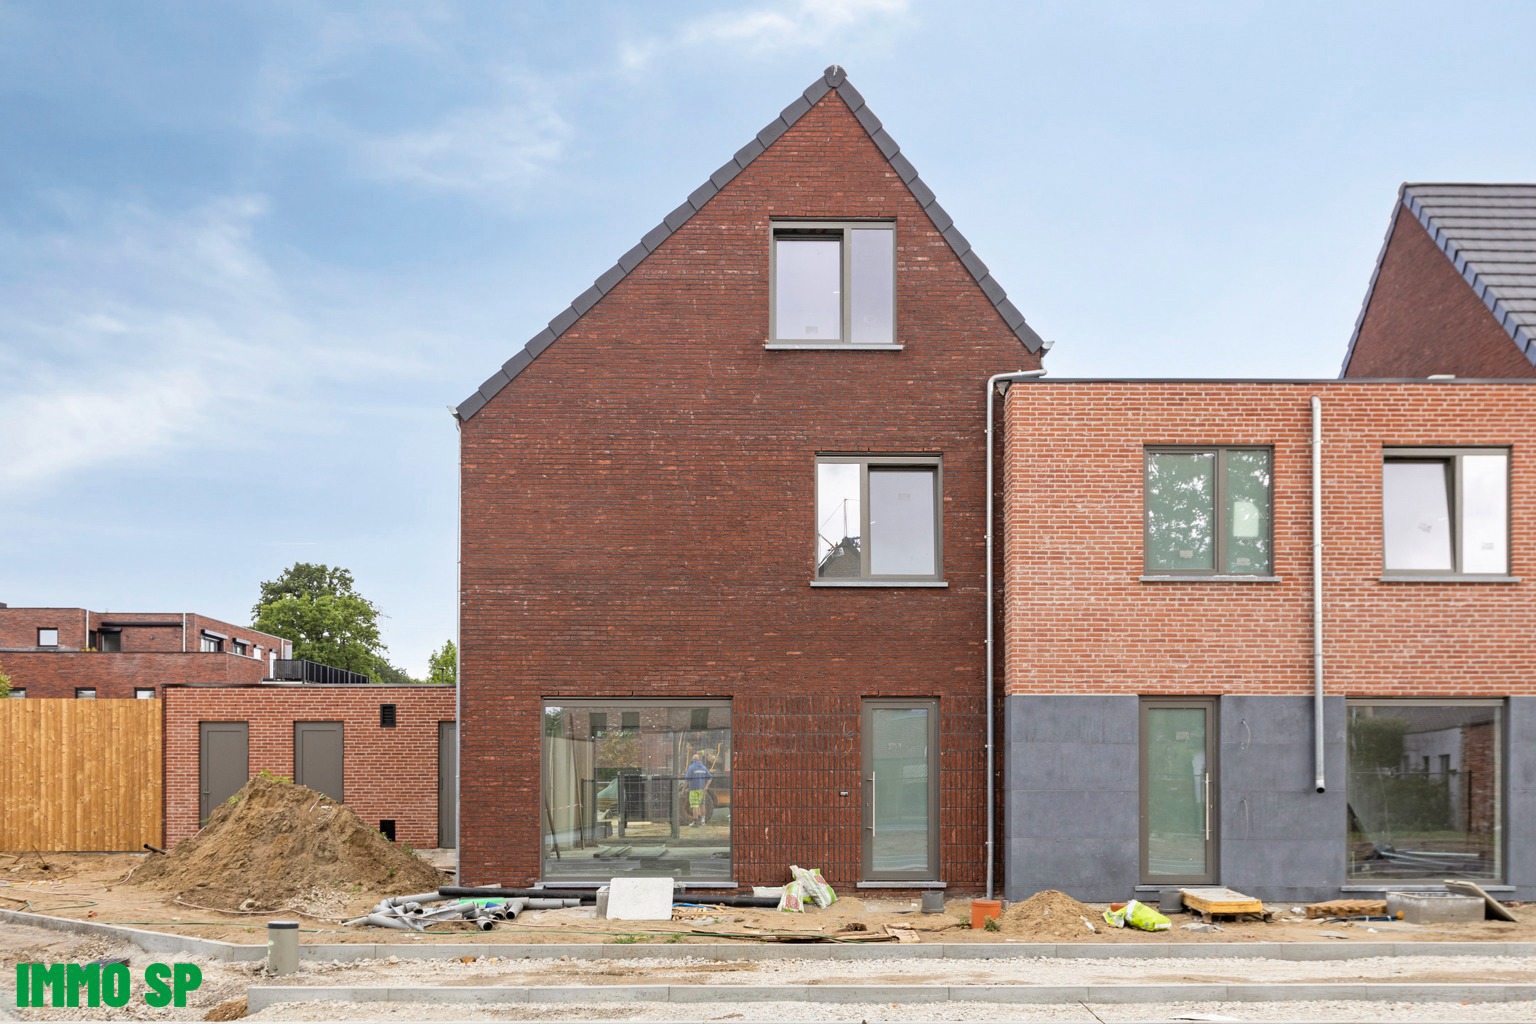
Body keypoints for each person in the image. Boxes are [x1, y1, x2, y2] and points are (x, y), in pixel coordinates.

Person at [685, 751, 713, 827]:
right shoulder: (704, 768)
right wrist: (706, 787)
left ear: (693, 760)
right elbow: (710, 778)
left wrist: (683, 789)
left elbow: (687, 780)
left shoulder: (691, 768)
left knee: (695, 805)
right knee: (702, 805)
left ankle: (696, 821)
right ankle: (703, 821)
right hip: (702, 790)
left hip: (694, 789)